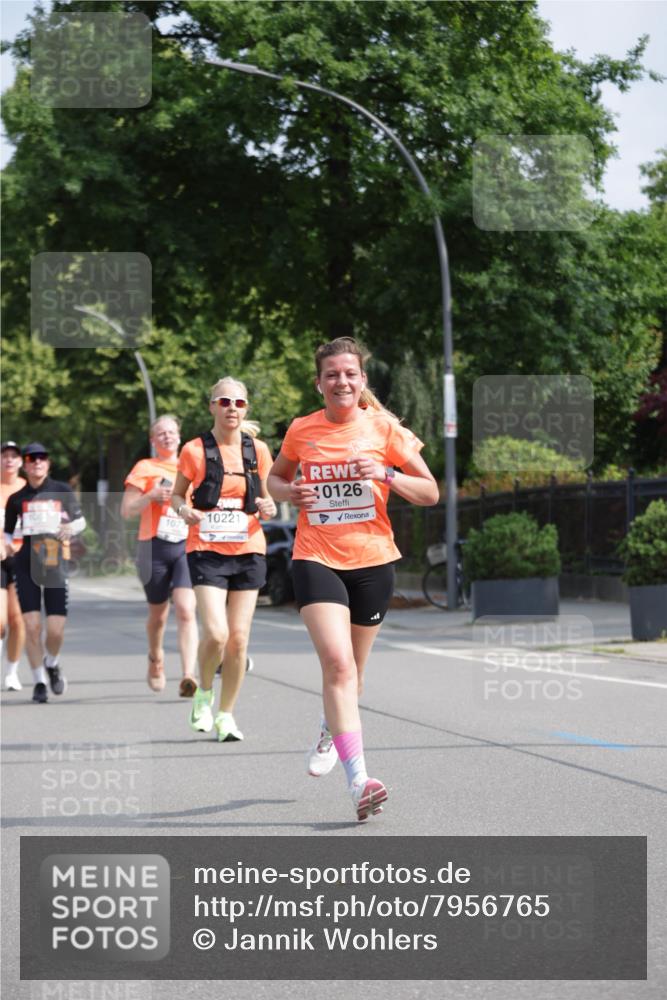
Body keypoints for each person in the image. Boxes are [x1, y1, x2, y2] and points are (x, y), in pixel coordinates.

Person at [267, 337, 439, 821]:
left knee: (354, 676)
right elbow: (276, 480)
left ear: (362, 380)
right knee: (339, 666)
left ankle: (329, 726)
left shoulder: (384, 428)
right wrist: (291, 492)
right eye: (332, 374)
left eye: (350, 373)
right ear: (319, 381)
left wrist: (386, 473)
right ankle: (360, 779)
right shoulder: (302, 429)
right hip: (316, 555)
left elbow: (429, 492)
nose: (341, 381)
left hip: (373, 560)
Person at [171, 377, 277, 741]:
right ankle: (203, 693)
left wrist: (269, 505)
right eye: (225, 401)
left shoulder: (258, 450)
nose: (233, 408)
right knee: (216, 633)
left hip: (249, 549)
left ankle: (226, 716)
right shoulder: (195, 450)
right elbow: (176, 497)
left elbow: (269, 500)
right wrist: (185, 511)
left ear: (246, 408)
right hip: (206, 549)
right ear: (212, 406)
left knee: (239, 640)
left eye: (240, 403)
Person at [4, 442, 87, 704]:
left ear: (48, 463)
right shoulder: (17, 499)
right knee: (31, 626)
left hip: (54, 563)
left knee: (55, 630)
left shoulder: (61, 490)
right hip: (25, 563)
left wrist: (70, 529)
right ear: (26, 465)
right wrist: (5, 544)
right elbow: (7, 531)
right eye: (31, 458)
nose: (37, 462)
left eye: (42, 457)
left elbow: (80, 520)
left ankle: (52, 662)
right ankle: (39, 681)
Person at [121, 415, 198, 696]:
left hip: (184, 545)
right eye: (160, 434)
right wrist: (151, 496)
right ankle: (155, 658)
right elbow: (126, 510)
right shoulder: (145, 467)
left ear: (180, 436)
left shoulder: (192, 464)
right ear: (153, 441)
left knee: (187, 610)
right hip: (152, 547)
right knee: (158, 616)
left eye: (171, 432)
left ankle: (188, 674)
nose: (167, 437)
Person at [1, 441, 27, 690]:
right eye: (4, 456)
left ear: (21, 462)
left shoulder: (26, 489)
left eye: (14, 456)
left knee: (17, 619)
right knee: (0, 620)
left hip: (22, 558)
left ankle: (12, 672)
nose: (9, 460)